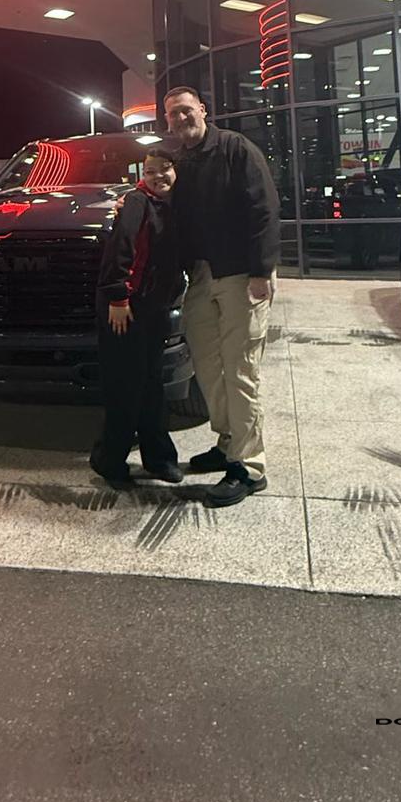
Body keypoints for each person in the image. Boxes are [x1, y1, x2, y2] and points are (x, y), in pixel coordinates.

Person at [165, 86, 280, 507]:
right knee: (210, 368)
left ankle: (248, 467)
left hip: (241, 275)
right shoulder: (181, 161)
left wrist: (261, 271)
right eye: (173, 114)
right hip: (200, 276)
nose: (181, 118)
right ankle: (229, 440)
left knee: (240, 369)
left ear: (203, 110)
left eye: (186, 110)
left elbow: (264, 208)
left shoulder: (236, 149)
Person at [89, 151, 185, 489]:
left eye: (164, 169)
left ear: (176, 171)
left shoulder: (173, 206)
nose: (158, 176)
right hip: (125, 307)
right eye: (150, 171)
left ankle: (159, 459)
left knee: (151, 383)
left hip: (153, 308)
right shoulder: (136, 201)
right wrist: (117, 296)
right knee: (125, 386)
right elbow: (121, 247)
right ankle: (110, 461)